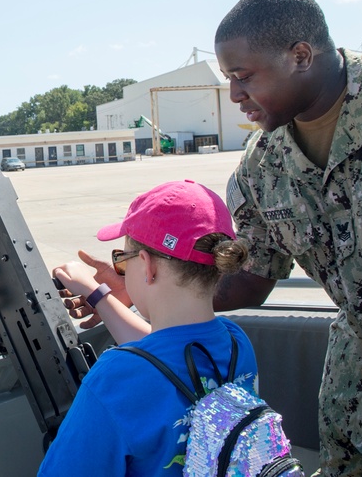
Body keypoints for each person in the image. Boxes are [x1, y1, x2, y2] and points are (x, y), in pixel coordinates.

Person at [68, 0, 362, 476]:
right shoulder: (262, 169)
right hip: (360, 405)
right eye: (228, 79)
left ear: (300, 55)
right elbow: (251, 281)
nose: (234, 94)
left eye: (244, 77)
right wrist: (143, 288)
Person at [38, 180, 256, 476]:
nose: (121, 270)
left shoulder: (115, 378)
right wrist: (96, 294)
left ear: (147, 266)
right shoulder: (236, 343)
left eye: (122, 261)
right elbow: (164, 354)